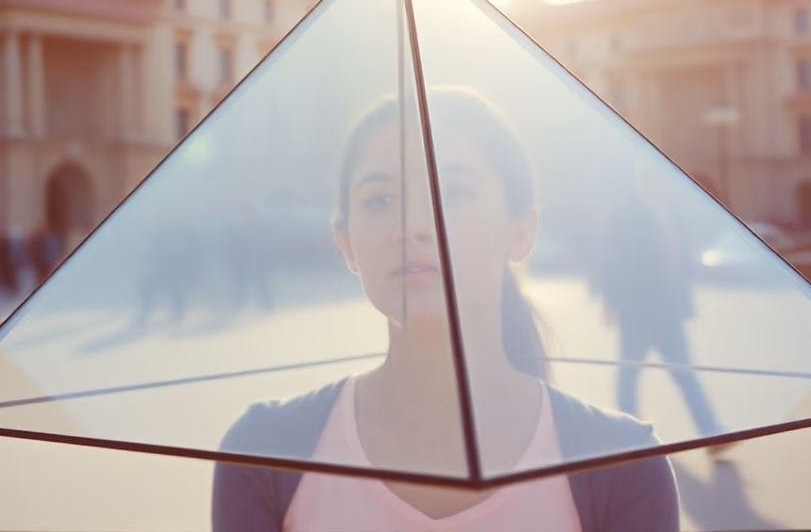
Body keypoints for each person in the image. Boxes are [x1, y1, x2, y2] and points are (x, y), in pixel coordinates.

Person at [212, 88, 678, 532]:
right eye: (380, 200)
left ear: (521, 231)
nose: (412, 225)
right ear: (347, 244)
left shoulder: (623, 466)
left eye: (451, 192)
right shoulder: (265, 454)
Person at [601, 162, 724, 447]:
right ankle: (625, 434)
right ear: (646, 184)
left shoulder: (672, 215)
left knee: (684, 373)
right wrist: (612, 300)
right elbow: (613, 258)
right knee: (630, 370)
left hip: (669, 310)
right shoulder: (630, 215)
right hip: (638, 309)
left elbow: (678, 259)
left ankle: (713, 435)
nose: (665, 189)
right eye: (658, 183)